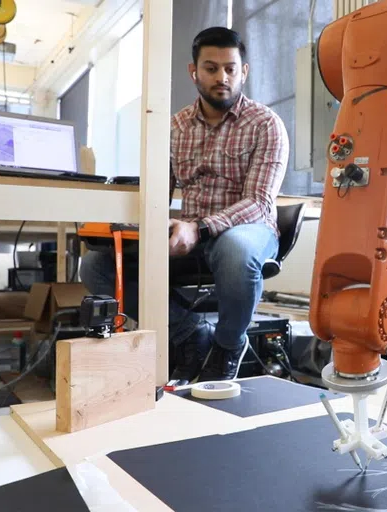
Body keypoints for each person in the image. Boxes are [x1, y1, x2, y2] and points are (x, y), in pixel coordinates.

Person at [80, 26, 289, 383]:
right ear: (194, 72)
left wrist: (200, 227)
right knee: (96, 265)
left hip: (247, 231)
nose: (222, 77)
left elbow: (257, 202)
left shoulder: (265, 124)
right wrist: (144, 225)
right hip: (188, 234)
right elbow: (158, 193)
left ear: (245, 71)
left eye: (230, 68)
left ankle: (227, 345)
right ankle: (190, 333)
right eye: (211, 68)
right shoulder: (173, 127)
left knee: (236, 249)